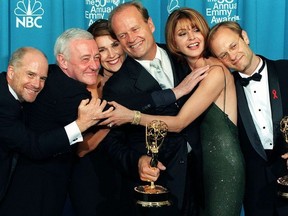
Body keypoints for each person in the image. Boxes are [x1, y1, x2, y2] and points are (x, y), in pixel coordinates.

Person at [101, 8, 245, 216]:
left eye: (135, 28)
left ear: (150, 24)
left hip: (203, 176)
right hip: (160, 182)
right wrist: (137, 161)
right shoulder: (117, 86)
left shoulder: (185, 57)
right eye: (123, 35)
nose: (131, 38)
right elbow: (112, 143)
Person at [0, 29, 113, 216]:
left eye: (96, 57)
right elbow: (35, 146)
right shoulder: (72, 95)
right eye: (85, 59)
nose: (36, 84)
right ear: (62, 61)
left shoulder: (49, 76)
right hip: (31, 193)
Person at [207, 21, 288, 216]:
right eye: (223, 55)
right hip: (255, 192)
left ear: (245, 37)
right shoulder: (225, 89)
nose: (232, 56)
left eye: (233, 46)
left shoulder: (285, 71)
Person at [69, 19, 126, 216]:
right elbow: (81, 149)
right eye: (102, 50)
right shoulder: (86, 88)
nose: (111, 55)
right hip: (90, 177)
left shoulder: (138, 82)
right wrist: (113, 120)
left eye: (115, 44)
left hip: (127, 174)